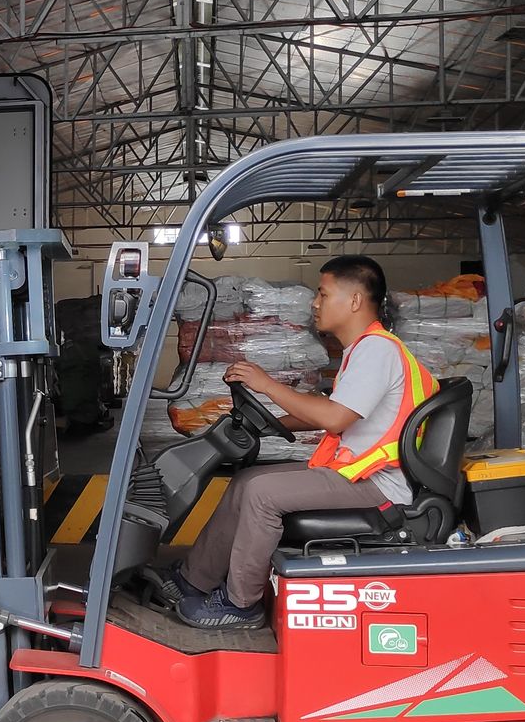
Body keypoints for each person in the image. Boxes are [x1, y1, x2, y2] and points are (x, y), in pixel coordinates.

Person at [169, 254, 436, 629]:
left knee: (262, 493)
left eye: (323, 294)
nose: (314, 303)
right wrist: (268, 424)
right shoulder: (364, 350)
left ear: (354, 300)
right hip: (358, 475)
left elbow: (334, 417)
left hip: (379, 485)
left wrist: (267, 385)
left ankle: (241, 604)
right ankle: (193, 580)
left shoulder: (377, 350)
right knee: (246, 481)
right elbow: (332, 409)